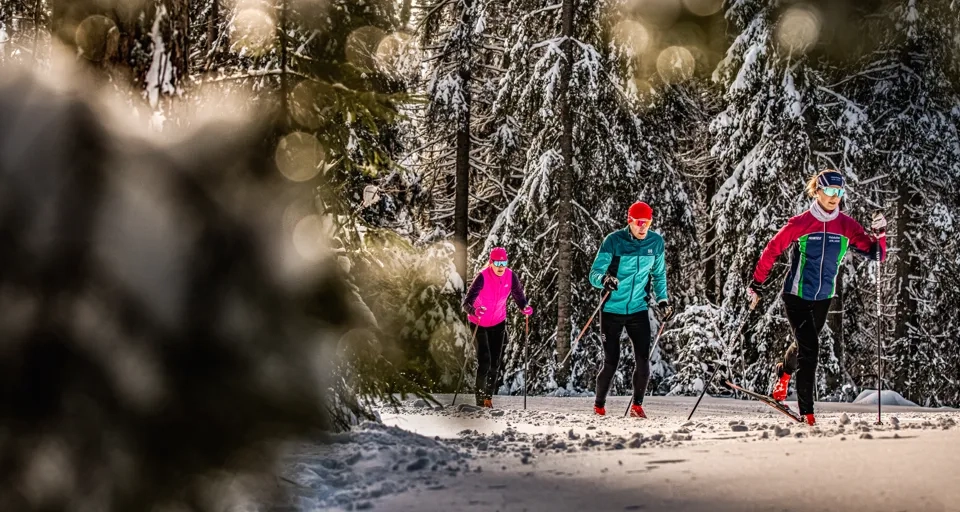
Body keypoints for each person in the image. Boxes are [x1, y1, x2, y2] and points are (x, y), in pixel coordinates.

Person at [749, 169, 887, 426]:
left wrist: (881, 235)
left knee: (803, 344)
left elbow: (877, 255)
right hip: (796, 295)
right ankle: (807, 411)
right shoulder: (801, 223)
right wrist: (757, 282)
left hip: (824, 296)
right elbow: (772, 249)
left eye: (840, 192)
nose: (835, 197)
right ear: (818, 191)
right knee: (811, 347)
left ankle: (784, 372)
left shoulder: (846, 226)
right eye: (831, 191)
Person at [588, 201, 672, 418]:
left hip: (638, 309)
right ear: (630, 221)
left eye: (648, 222)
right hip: (612, 310)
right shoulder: (614, 241)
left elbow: (659, 275)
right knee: (611, 362)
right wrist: (604, 280)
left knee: (643, 359)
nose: (643, 227)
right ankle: (599, 406)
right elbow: (594, 273)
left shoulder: (655, 242)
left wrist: (663, 300)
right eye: (639, 222)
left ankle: (637, 406)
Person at [462, 247, 533, 408]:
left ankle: (488, 398)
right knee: (485, 361)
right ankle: (479, 400)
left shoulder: (510, 276)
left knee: (495, 363)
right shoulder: (482, 277)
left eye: (504, 262)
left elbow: (519, 296)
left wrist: (524, 307)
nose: (501, 266)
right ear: (491, 262)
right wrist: (475, 310)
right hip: (478, 322)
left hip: (498, 322)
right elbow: (466, 303)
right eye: (497, 263)